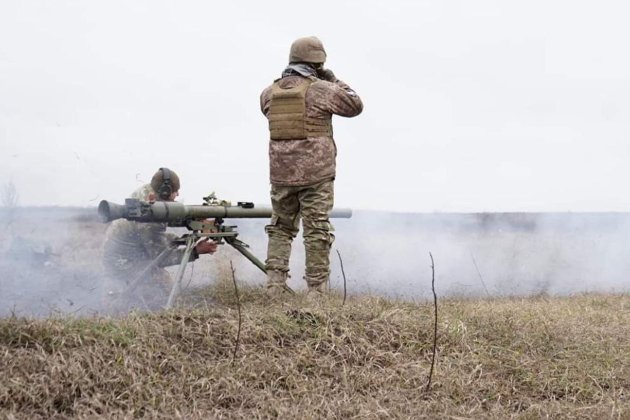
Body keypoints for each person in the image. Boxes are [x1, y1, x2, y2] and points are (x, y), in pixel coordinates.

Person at [260, 36, 363, 297]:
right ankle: (316, 291)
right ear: (318, 61)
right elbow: (354, 105)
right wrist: (333, 80)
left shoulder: (268, 92)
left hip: (281, 174)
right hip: (316, 174)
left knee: (280, 228)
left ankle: (274, 285)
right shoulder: (321, 89)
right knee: (316, 229)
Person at [102, 167, 217, 310]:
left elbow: (167, 213)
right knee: (165, 293)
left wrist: (190, 218)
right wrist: (196, 251)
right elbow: (160, 258)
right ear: (166, 191)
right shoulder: (150, 218)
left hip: (126, 248)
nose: (178, 194)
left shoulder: (148, 192)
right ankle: (127, 304)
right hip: (124, 261)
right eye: (175, 191)